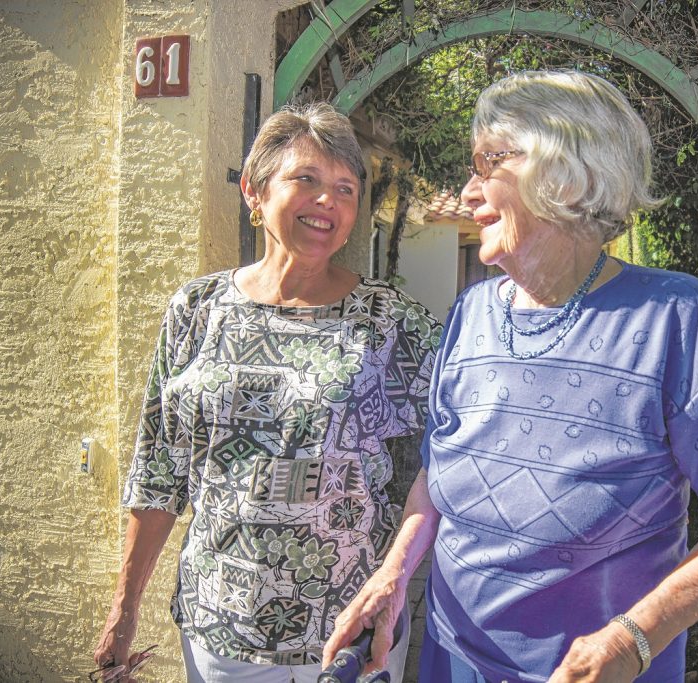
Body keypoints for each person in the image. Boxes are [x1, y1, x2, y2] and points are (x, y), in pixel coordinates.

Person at [324, 70, 698, 683]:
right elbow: (441, 468)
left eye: (488, 164)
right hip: (451, 661)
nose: (468, 191)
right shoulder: (471, 311)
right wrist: (393, 573)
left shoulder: (672, 315)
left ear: (564, 172)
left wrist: (631, 642)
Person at [93, 102, 441, 682]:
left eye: (345, 189)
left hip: (347, 634)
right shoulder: (196, 309)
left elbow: (460, 437)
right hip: (218, 628)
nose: (328, 200)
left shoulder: (388, 320)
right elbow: (158, 470)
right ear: (254, 192)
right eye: (307, 179)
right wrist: (123, 610)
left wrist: (398, 571)